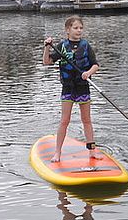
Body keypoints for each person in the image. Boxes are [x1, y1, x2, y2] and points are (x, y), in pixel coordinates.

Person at [43, 15, 102, 162]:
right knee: (65, 121)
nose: (79, 30)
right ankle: (57, 152)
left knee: (86, 120)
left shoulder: (86, 45)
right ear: (67, 30)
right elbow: (47, 62)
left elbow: (96, 65)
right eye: (75, 28)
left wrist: (88, 73)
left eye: (81, 28)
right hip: (68, 88)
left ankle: (92, 151)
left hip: (83, 87)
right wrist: (47, 47)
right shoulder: (62, 46)